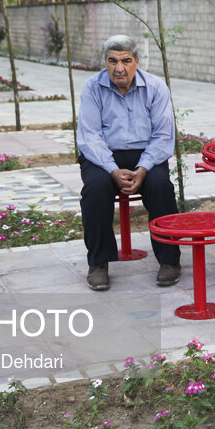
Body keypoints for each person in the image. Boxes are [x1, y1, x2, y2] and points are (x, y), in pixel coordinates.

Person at [77, 35, 181, 291]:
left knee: (160, 186)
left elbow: (163, 136)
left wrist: (143, 169)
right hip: (104, 157)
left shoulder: (156, 87)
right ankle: (98, 263)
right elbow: (89, 136)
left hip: (146, 155)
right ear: (105, 62)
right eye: (112, 61)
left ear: (136, 61)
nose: (118, 68)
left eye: (125, 61)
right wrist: (112, 169)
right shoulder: (93, 87)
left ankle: (170, 261)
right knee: (94, 189)